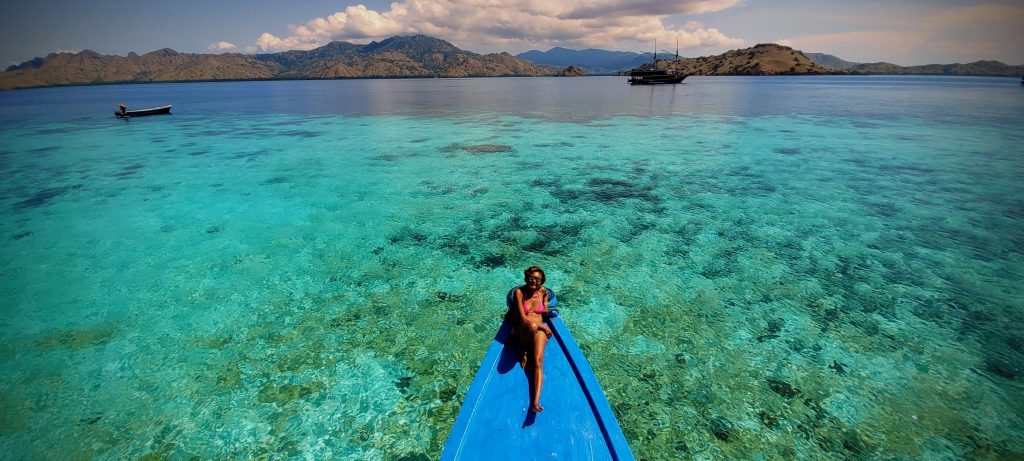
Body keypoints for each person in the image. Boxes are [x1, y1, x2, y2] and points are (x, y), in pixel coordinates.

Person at [511, 265, 552, 413]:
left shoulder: (543, 292)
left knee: (538, 362)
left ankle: (535, 402)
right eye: (531, 277)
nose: (534, 281)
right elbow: (523, 318)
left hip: (538, 327)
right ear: (527, 277)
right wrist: (544, 327)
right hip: (523, 328)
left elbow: (545, 304)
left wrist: (545, 305)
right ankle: (522, 350)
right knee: (534, 327)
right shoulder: (519, 292)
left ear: (542, 281)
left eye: (538, 279)